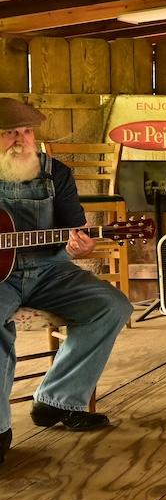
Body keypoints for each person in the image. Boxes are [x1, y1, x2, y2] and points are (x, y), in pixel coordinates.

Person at [1, 99, 132, 465]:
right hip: (1, 279)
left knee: (112, 305)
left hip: (49, 269)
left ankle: (56, 399)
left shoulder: (55, 173)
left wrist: (81, 246)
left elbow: (73, 231)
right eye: (10, 132)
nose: (20, 140)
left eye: (26, 131)